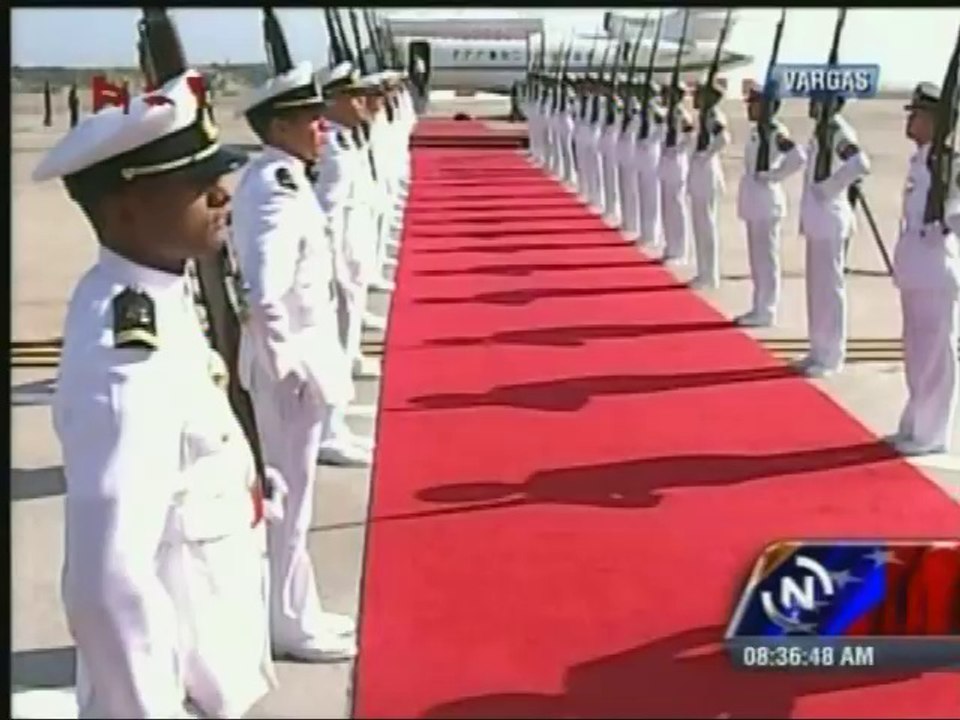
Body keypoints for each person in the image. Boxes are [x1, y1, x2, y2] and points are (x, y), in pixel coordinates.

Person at [36, 70, 277, 718]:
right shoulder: (127, 353)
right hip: (173, 694)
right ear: (125, 209)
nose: (222, 194)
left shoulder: (162, 292)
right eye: (197, 186)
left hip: (205, 668)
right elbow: (106, 580)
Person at [231, 58, 357, 661]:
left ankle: (296, 609)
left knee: (297, 502)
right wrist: (284, 365)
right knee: (287, 503)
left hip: (298, 364)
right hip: (291, 373)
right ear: (279, 126)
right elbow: (262, 288)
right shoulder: (276, 187)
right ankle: (286, 624)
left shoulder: (283, 175)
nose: (322, 127)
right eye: (310, 119)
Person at [312, 61, 376, 467]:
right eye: (351, 96)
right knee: (332, 346)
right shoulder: (331, 149)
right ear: (333, 102)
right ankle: (328, 431)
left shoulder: (345, 140)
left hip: (349, 250)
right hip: (333, 258)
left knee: (346, 338)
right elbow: (323, 214)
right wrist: (331, 269)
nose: (361, 102)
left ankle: (336, 426)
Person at [890, 82, 960, 456]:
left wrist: (947, 222)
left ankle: (932, 434)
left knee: (936, 355)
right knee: (916, 351)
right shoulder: (921, 162)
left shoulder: (952, 164)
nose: (911, 120)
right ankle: (915, 423)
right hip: (916, 267)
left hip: (937, 268)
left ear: (935, 121)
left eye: (917, 115)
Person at [796, 93, 871, 376]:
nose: (810, 105)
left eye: (816, 100)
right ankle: (818, 348)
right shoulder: (823, 131)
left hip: (830, 218)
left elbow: (860, 163)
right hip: (819, 220)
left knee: (830, 289)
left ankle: (832, 356)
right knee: (817, 288)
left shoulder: (839, 131)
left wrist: (830, 188)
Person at [735, 81, 806, 326]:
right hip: (755, 200)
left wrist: (775, 175)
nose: (749, 109)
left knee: (767, 258)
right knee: (757, 257)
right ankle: (759, 305)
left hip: (766, 200)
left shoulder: (776, 132)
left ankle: (767, 309)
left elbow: (798, 157)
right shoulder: (759, 131)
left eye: (753, 105)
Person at [688, 78, 731, 288]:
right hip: (700, 174)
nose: (694, 98)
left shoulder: (714, 115)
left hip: (707, 174)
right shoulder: (704, 115)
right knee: (700, 224)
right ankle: (703, 271)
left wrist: (706, 154)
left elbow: (724, 138)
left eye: (698, 94)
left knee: (706, 225)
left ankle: (710, 274)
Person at [658, 81, 696, 264]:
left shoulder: (682, 114)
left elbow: (691, 136)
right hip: (666, 161)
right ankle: (670, 245)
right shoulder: (668, 114)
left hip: (676, 162)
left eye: (668, 94)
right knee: (667, 205)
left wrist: (679, 149)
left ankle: (680, 250)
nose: (664, 98)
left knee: (676, 205)